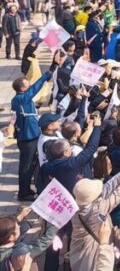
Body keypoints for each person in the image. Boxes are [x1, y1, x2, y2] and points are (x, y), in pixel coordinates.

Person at [70, 151, 120, 271]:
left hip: (78, 253)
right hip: (92, 254)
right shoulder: (97, 210)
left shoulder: (77, 207)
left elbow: (109, 186)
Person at [11, 52, 63, 200]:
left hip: (31, 135)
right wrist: (51, 70)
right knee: (26, 167)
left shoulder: (23, 99)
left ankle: (27, 189)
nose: (29, 86)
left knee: (32, 165)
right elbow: (36, 87)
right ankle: (23, 193)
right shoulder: (21, 99)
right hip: (27, 138)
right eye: (27, 85)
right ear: (22, 88)